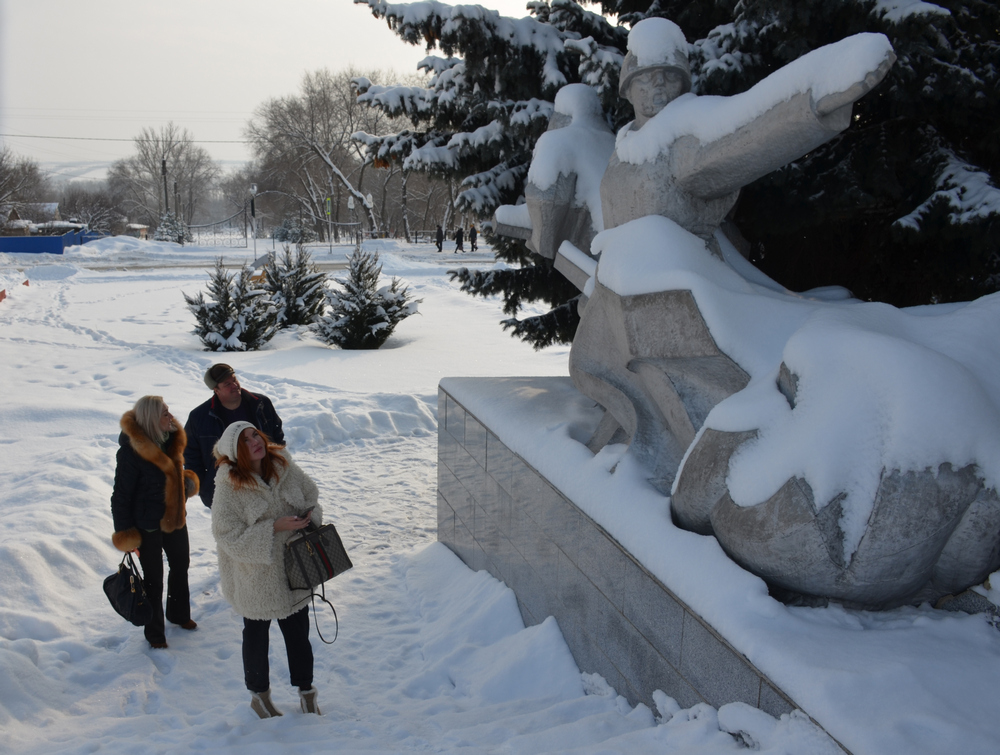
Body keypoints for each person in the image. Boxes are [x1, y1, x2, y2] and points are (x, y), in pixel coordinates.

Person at [211, 421, 322, 718]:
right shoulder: (229, 485)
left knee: (299, 634)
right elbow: (226, 535)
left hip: (295, 569)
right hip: (255, 577)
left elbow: (312, 497)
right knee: (257, 637)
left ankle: (307, 691)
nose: (255, 442)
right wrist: (274, 527)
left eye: (255, 435)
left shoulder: (284, 465)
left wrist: (309, 520)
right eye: (245, 441)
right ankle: (259, 696)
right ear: (236, 452)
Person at [111, 395, 200, 649]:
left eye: (169, 411)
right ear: (151, 419)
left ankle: (179, 614)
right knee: (153, 580)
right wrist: (126, 535)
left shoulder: (171, 440)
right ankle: (155, 634)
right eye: (164, 413)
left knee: (181, 564)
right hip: (146, 525)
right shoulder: (131, 451)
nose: (170, 416)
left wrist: (186, 483)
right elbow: (121, 495)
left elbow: (173, 475)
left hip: (174, 518)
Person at [184, 363, 284, 508]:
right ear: (216, 390)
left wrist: (280, 467)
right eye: (227, 384)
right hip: (228, 491)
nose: (235, 385)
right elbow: (190, 455)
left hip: (267, 479)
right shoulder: (199, 417)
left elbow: (277, 436)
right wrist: (206, 487)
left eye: (234, 380)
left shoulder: (261, 404)